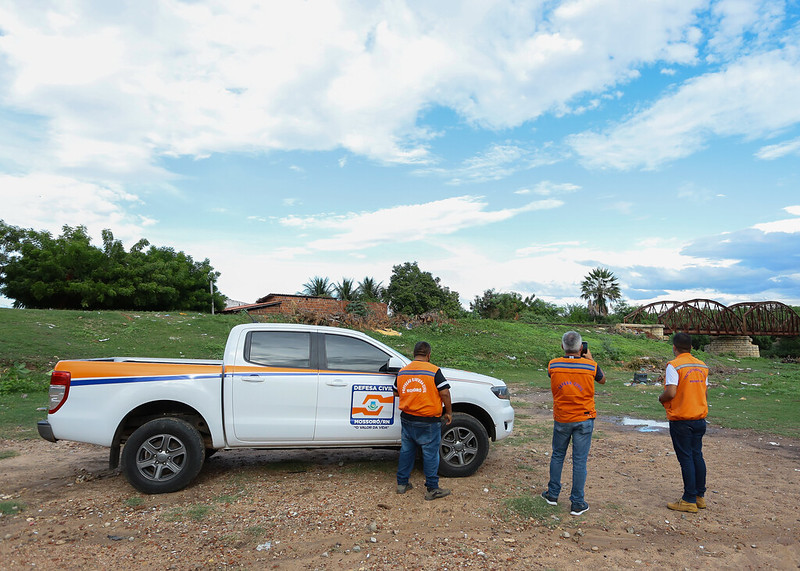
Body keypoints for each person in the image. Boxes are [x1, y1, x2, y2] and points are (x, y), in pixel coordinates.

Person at [541, 331, 605, 516]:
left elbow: (551, 375)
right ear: (581, 347)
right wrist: (591, 359)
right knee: (579, 461)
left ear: (562, 346)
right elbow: (602, 380)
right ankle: (577, 502)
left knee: (558, 455)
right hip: (584, 418)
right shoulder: (591, 366)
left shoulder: (553, 364)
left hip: (562, 418)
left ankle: (552, 494)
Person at [394, 341, 453, 501]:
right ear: (428, 355)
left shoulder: (403, 372)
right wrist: (448, 412)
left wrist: (412, 395)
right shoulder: (434, 371)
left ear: (414, 354)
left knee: (407, 451)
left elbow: (396, 392)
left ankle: (402, 484)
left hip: (407, 419)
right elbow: (445, 393)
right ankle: (432, 489)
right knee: (430, 453)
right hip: (428, 421)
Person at [659, 332, 709, 513]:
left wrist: (661, 398)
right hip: (699, 418)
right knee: (697, 456)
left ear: (674, 347)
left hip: (682, 419)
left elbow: (671, 392)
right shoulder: (702, 365)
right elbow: (704, 392)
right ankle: (699, 497)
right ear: (691, 347)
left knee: (686, 458)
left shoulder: (674, 365)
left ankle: (688, 500)